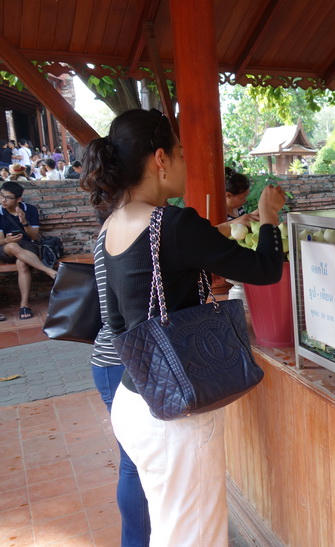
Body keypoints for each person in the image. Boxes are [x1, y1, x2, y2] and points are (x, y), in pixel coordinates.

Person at [81, 108, 286, 546]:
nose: (185, 163)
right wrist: (268, 217)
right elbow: (266, 269)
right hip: (174, 415)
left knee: (173, 527)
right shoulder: (171, 224)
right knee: (192, 535)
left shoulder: (113, 226)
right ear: (160, 159)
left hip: (134, 401)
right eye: (179, 153)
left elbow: (118, 325)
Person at [88, 225, 151, 546]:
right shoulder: (119, 230)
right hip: (118, 361)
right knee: (134, 462)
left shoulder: (119, 227)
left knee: (139, 460)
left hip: (120, 358)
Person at [0, 180, 58, 319]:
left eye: (8, 197)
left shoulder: (29, 210)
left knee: (22, 263)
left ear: (18, 199)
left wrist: (24, 222)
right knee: (13, 246)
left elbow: (35, 237)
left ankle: (24, 305)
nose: (3, 200)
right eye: (1, 195)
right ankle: (48, 271)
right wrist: (7, 240)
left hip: (27, 246)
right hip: (6, 248)